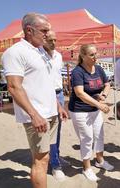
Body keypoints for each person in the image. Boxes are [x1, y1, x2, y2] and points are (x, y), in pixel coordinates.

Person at [1, 13, 68, 188]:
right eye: (44, 30)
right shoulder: (15, 52)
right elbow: (14, 87)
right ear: (29, 30)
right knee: (41, 161)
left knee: (43, 156)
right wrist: (34, 115)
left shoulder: (40, 52)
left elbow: (45, 83)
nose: (47, 34)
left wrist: (58, 105)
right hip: (37, 116)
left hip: (50, 112)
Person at [68, 44, 114, 181]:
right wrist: (99, 105)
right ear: (83, 56)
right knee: (87, 138)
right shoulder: (78, 72)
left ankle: (99, 161)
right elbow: (80, 93)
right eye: (92, 54)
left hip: (94, 109)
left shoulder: (99, 69)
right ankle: (86, 168)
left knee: (99, 135)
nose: (96, 57)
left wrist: (103, 96)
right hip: (80, 110)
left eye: (96, 53)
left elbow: (107, 84)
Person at [43, 30, 69, 181]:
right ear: (44, 39)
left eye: (55, 40)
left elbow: (57, 77)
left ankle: (56, 157)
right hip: (46, 94)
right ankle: (55, 164)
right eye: (50, 40)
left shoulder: (58, 56)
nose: (53, 43)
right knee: (50, 130)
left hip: (59, 94)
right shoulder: (39, 55)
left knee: (58, 129)